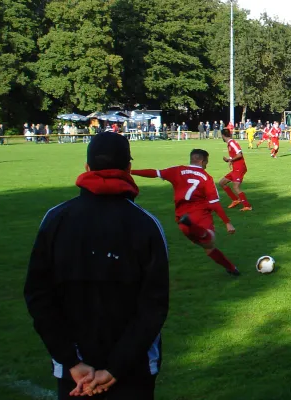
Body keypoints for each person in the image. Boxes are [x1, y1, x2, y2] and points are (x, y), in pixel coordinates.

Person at [24, 133, 169, 399]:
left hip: (77, 372)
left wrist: (72, 362)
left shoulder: (55, 219)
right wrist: (114, 366)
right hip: (131, 368)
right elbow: (154, 304)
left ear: (87, 167)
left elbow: (38, 296)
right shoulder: (147, 224)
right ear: (127, 169)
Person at [131, 149, 240, 276]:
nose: (206, 165)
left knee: (208, 248)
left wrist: (131, 172)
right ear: (201, 160)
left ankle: (231, 268)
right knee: (210, 241)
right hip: (200, 215)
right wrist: (227, 222)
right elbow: (214, 203)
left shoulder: (177, 170)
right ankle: (198, 229)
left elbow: (154, 173)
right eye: (206, 162)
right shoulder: (206, 177)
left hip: (181, 218)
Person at [219, 129, 252, 211]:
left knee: (236, 187)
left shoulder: (232, 143)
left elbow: (239, 154)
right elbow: (235, 155)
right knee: (222, 183)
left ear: (223, 135)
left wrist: (231, 160)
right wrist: (229, 160)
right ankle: (235, 200)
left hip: (239, 168)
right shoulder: (230, 143)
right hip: (235, 168)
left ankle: (247, 206)